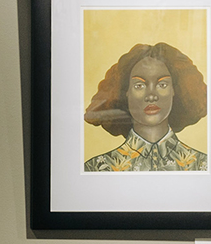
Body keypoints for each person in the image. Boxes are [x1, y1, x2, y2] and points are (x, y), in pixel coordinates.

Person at [84, 42, 207, 172]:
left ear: (174, 90)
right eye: (139, 86)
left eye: (162, 85)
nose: (151, 96)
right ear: (126, 92)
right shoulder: (97, 168)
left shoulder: (202, 165)